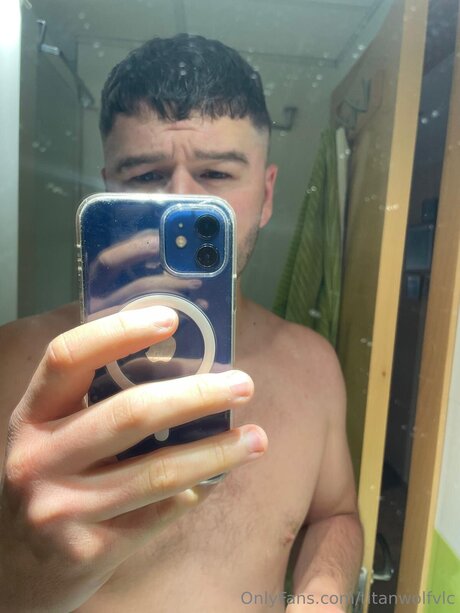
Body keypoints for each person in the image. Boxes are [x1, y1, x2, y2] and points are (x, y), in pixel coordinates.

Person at [0, 34, 363, 612]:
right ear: (108, 188)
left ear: (266, 195)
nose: (180, 201)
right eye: (146, 176)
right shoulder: (16, 366)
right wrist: (19, 580)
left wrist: (322, 598)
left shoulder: (313, 365)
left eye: (216, 173)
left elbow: (336, 516)